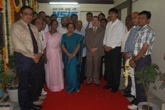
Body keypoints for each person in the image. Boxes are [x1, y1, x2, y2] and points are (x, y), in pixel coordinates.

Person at [10, 6, 42, 110]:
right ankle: (24, 107)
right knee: (24, 85)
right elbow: (19, 45)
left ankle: (29, 104)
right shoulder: (16, 26)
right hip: (23, 58)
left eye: (31, 14)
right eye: (26, 13)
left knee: (31, 84)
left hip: (34, 58)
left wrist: (39, 54)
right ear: (21, 15)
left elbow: (38, 42)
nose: (29, 16)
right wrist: (34, 56)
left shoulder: (33, 27)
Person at [128, 11, 156, 110]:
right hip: (137, 58)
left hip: (143, 60)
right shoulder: (140, 30)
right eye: (139, 18)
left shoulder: (148, 31)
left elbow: (144, 49)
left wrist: (134, 59)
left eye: (143, 18)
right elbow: (135, 47)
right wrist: (132, 58)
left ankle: (141, 105)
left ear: (148, 20)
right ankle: (138, 103)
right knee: (137, 82)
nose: (140, 20)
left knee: (142, 85)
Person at [103, 8, 126, 93]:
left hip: (115, 49)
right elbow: (105, 36)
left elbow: (120, 38)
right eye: (110, 13)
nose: (111, 15)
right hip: (107, 48)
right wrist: (104, 44)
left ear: (117, 14)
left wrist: (111, 47)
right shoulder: (108, 24)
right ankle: (109, 83)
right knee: (108, 67)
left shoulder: (120, 25)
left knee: (115, 68)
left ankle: (115, 86)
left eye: (113, 13)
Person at [61, 22, 84, 93]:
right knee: (68, 72)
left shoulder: (78, 36)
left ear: (74, 28)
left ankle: (76, 87)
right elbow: (62, 46)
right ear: (67, 28)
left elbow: (78, 46)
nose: (70, 29)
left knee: (74, 71)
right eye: (69, 27)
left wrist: (73, 54)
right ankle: (69, 87)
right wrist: (68, 54)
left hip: (74, 56)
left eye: (72, 27)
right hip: (66, 56)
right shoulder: (64, 36)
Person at [123, 12, 140, 104]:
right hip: (128, 56)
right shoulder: (133, 29)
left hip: (134, 57)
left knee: (135, 78)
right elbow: (128, 42)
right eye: (132, 18)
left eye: (135, 18)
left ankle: (137, 97)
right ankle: (134, 95)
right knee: (132, 77)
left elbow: (136, 44)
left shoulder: (139, 30)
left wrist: (129, 54)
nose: (133, 20)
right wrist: (126, 52)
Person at [44, 20, 64, 92]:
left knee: (57, 69)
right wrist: (45, 56)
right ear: (51, 25)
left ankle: (59, 85)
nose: (54, 25)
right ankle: (51, 85)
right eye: (53, 24)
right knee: (50, 70)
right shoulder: (46, 34)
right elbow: (44, 46)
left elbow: (62, 45)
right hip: (49, 53)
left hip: (57, 54)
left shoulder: (60, 35)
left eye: (56, 24)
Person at [85, 16, 105, 87]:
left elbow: (102, 41)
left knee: (97, 67)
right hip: (89, 51)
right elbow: (86, 41)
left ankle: (96, 81)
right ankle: (89, 80)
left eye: (96, 20)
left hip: (98, 51)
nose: (95, 22)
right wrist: (90, 48)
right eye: (93, 20)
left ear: (98, 22)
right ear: (91, 22)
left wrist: (95, 48)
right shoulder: (88, 30)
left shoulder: (102, 31)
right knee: (89, 67)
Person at [31, 17, 47, 108]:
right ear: (34, 24)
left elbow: (44, 45)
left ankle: (37, 94)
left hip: (40, 57)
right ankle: (34, 98)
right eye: (38, 23)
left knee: (40, 77)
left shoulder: (42, 33)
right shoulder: (32, 33)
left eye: (41, 23)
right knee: (35, 78)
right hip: (34, 58)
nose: (40, 25)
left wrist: (44, 56)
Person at [121, 15, 133, 97]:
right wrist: (122, 51)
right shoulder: (125, 30)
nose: (127, 21)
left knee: (130, 73)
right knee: (126, 72)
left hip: (130, 55)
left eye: (129, 20)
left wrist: (128, 53)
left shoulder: (134, 31)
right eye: (126, 20)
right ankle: (127, 87)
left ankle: (130, 90)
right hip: (124, 54)